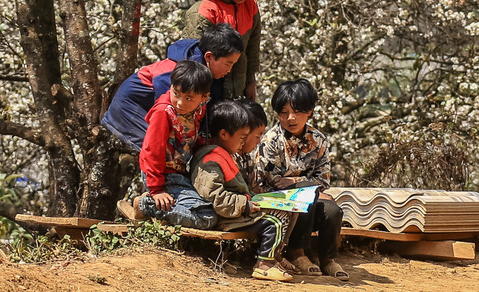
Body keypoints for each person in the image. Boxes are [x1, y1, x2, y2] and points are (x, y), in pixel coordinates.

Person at [256, 78, 349, 281]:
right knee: (305, 198)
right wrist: (303, 184)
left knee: (333, 210)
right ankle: (297, 254)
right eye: (284, 112)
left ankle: (328, 259)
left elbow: (323, 180)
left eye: (297, 112)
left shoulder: (318, 139)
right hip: (279, 203)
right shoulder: (271, 140)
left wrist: (295, 182)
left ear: (310, 111)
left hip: (310, 197)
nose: (291, 118)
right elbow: (273, 181)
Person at [191, 99, 293, 282]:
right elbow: (214, 198)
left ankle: (273, 258)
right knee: (275, 221)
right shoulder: (210, 161)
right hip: (225, 216)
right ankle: (264, 265)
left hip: (235, 211)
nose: (243, 143)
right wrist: (244, 204)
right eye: (241, 138)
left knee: (286, 210)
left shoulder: (224, 156)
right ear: (223, 134)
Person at [101, 23, 244, 152]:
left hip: (142, 109)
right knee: (161, 152)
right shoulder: (177, 71)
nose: (230, 70)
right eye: (228, 64)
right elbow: (166, 110)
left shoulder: (202, 71)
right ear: (209, 57)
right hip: (129, 110)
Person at [118, 59, 218, 229]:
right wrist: (157, 189)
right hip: (162, 176)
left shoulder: (198, 110)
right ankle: (146, 206)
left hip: (178, 173)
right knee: (207, 216)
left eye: (189, 98)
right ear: (170, 86)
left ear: (204, 97)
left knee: (211, 207)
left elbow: (189, 138)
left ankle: (152, 210)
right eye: (176, 93)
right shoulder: (163, 113)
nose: (180, 102)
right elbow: (151, 150)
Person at [183, 0, 262, 101]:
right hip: (208, 89)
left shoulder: (250, 4)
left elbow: (253, 45)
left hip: (238, 88)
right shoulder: (204, 10)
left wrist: (250, 81)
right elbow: (193, 59)